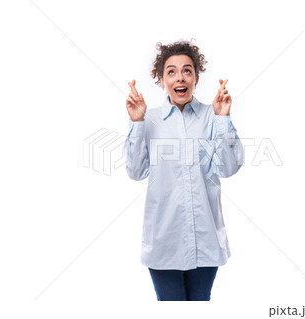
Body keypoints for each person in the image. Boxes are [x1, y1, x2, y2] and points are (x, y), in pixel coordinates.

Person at [123, 39, 244, 301]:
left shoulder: (212, 116)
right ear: (162, 79)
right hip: (164, 241)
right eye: (172, 71)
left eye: (187, 70)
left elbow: (229, 168)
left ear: (196, 78)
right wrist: (137, 124)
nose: (180, 77)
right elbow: (135, 171)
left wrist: (223, 118)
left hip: (206, 239)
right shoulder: (148, 119)